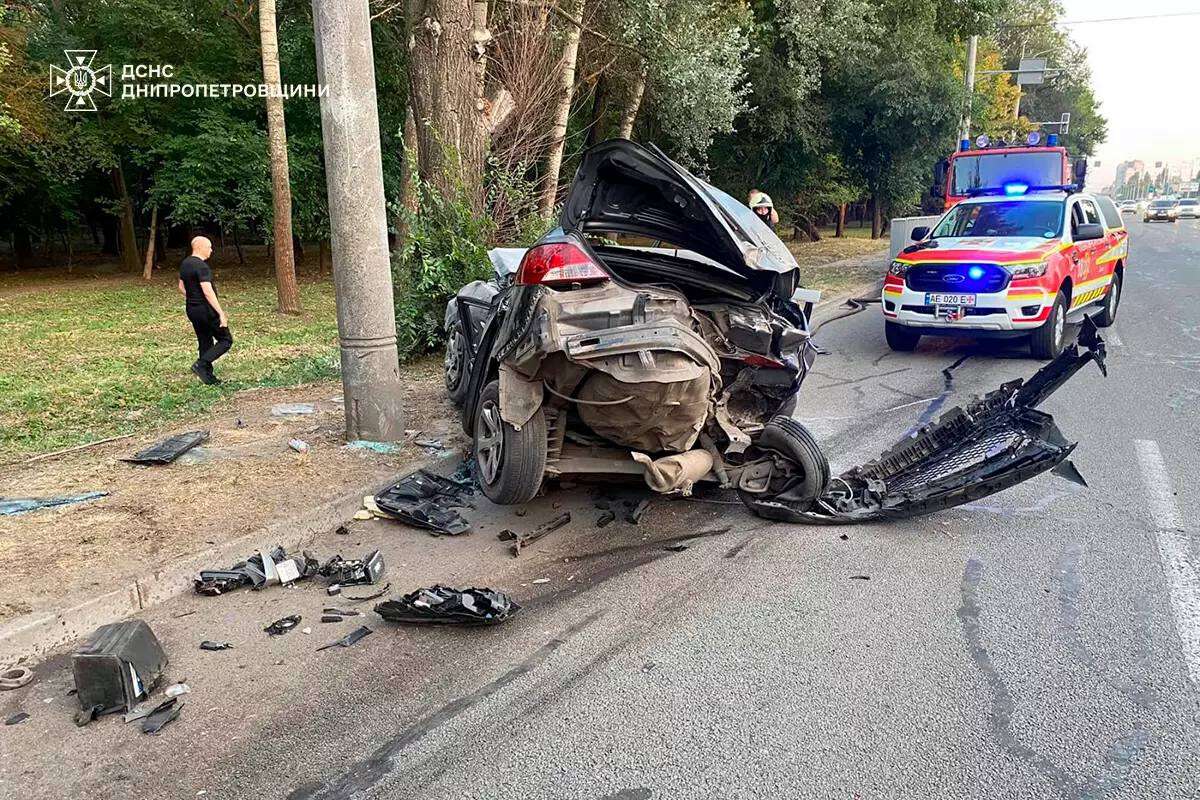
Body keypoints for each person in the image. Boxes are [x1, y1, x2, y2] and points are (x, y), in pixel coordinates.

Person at [178, 236, 232, 385]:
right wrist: (221, 313)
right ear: (201, 247)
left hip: (192, 309)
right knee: (226, 340)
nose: (211, 250)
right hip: (206, 309)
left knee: (205, 341)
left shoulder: (186, 263)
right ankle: (201, 364)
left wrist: (194, 297)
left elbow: (181, 287)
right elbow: (208, 291)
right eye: (209, 247)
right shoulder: (201, 266)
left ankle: (207, 377)